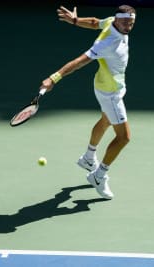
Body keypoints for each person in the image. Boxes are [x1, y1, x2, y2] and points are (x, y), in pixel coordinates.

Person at [40, 5, 136, 200]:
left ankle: (88, 157)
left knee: (106, 120)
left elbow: (94, 22)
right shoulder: (107, 43)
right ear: (118, 19)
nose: (128, 26)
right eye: (125, 22)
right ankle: (99, 176)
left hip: (106, 84)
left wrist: (76, 21)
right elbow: (79, 61)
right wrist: (54, 78)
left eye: (132, 23)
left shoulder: (111, 21)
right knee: (124, 137)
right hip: (111, 93)